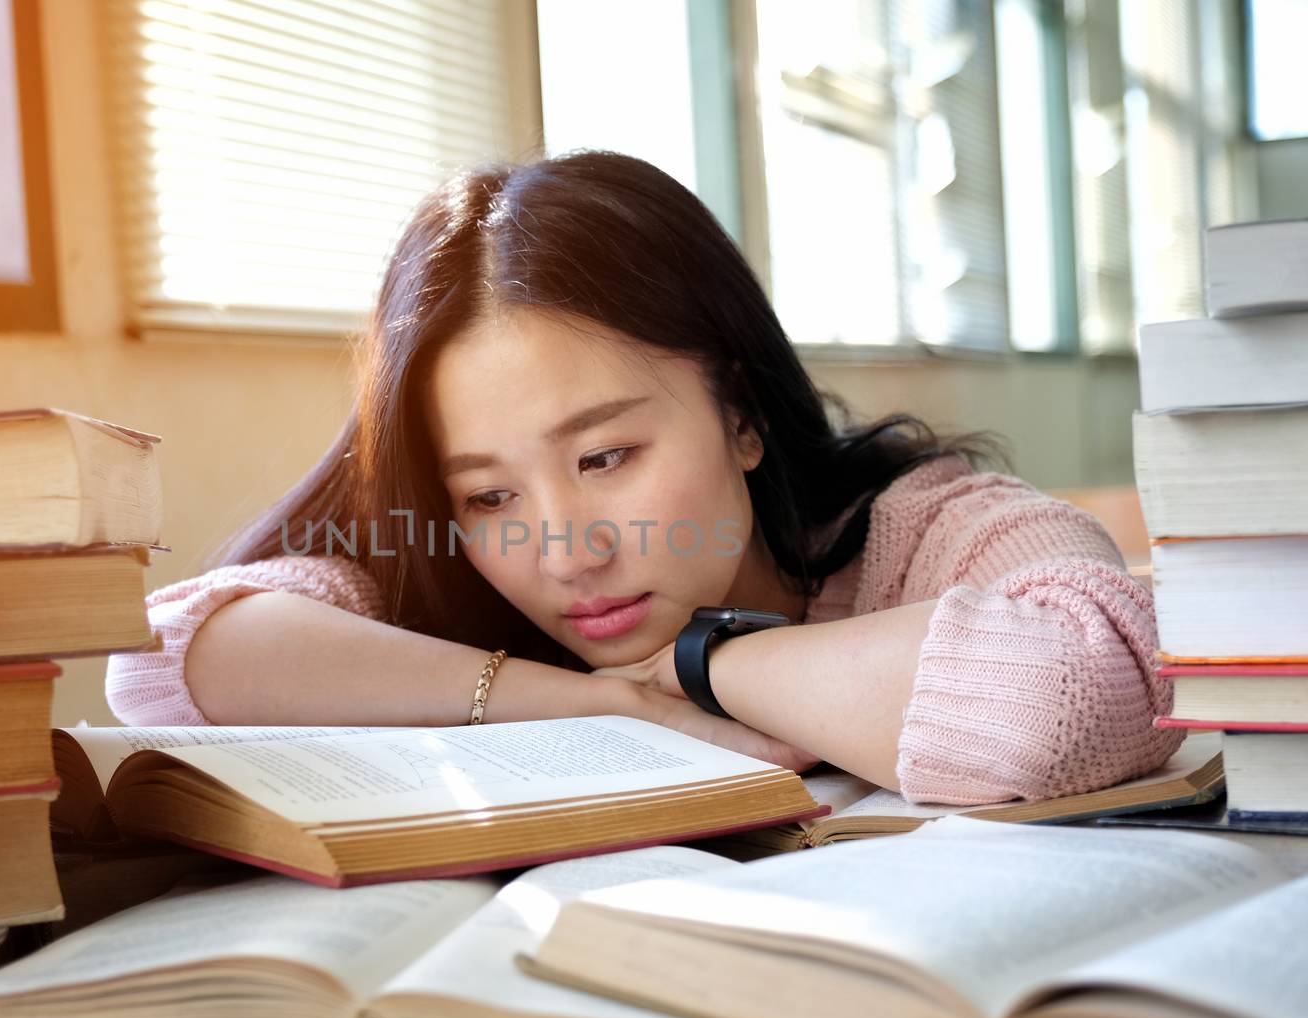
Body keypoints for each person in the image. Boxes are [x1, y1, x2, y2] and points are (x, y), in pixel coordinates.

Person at [105, 150, 1178, 805]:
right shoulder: (451, 587)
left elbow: (1086, 694)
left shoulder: (929, 530)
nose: (564, 551)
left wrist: (702, 663)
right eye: (488, 495)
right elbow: (159, 657)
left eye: (605, 457)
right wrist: (581, 698)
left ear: (742, 411)